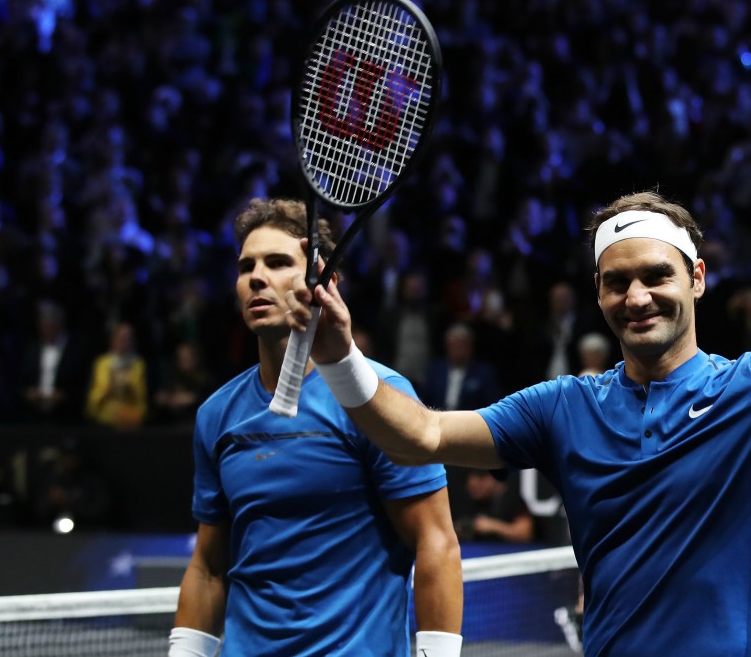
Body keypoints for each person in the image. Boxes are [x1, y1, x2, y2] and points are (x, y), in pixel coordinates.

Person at [288, 30, 751, 655]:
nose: (638, 296)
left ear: (698, 279)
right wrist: (339, 355)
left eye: (657, 276)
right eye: (618, 282)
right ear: (598, 293)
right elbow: (420, 436)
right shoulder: (563, 407)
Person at [171, 198, 463, 657]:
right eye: (246, 266)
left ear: (324, 280)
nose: (257, 278)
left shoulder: (381, 398)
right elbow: (208, 567)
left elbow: (436, 542)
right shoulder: (217, 414)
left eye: (278, 262)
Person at [85, 322, 148, 429]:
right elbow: (95, 395)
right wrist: (109, 387)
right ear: (113, 340)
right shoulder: (102, 363)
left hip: (131, 418)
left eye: (128, 338)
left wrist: (130, 386)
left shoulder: (138, 364)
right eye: (121, 338)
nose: (124, 342)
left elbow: (141, 398)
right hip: (105, 419)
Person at [452, 469, 534, 544]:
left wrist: (493, 526)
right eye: (470, 478)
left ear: (495, 477)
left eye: (481, 477)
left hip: (506, 553)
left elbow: (525, 533)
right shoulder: (463, 500)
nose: (472, 483)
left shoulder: (511, 498)